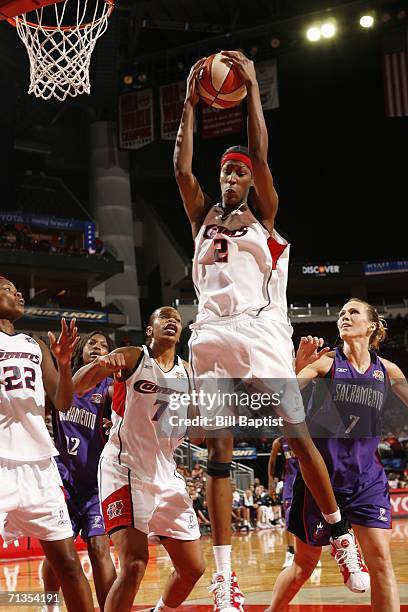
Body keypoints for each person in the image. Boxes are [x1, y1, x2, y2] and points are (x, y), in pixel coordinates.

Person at [174, 50, 367, 610]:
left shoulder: (266, 218)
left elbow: (260, 152)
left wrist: (253, 88)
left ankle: (339, 534)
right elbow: (182, 169)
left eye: (239, 171)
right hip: (210, 332)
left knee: (297, 435)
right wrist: (188, 105)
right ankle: (226, 579)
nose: (231, 175)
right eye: (226, 171)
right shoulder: (201, 217)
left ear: (252, 181)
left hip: (258, 332)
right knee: (218, 449)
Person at [268, 298, 408, 611]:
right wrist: (295, 368)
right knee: (304, 566)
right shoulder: (327, 363)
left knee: (381, 563)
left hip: (366, 478)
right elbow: (279, 397)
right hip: (320, 480)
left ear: (371, 326)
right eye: (341, 313)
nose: (344, 316)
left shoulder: (387, 370)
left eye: (352, 312)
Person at [72, 306, 205, 612]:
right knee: (134, 564)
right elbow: (79, 385)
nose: (172, 321)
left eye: (177, 319)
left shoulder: (186, 373)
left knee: (193, 568)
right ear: (150, 330)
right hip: (125, 467)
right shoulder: (133, 356)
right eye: (164, 317)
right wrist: (101, 364)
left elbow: (197, 437)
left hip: (165, 474)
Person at [0, 277, 94, 612]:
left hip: (39, 464)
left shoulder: (34, 344)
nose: (19, 294)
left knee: (68, 564)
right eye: (9, 289)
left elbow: (63, 401)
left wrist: (65, 363)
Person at [42, 331, 117, 611]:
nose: (98, 348)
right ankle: (49, 607)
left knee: (99, 549)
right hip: (62, 480)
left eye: (104, 345)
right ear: (80, 351)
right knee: (57, 555)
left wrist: (116, 425)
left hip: (97, 484)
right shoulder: (63, 383)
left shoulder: (111, 387)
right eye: (92, 344)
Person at [268, 437, 297, 568]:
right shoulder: (279, 442)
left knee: (308, 518)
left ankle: (310, 552)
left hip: (308, 481)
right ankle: (290, 553)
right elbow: (272, 462)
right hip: (289, 483)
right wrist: (271, 484)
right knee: (289, 516)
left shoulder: (308, 436)